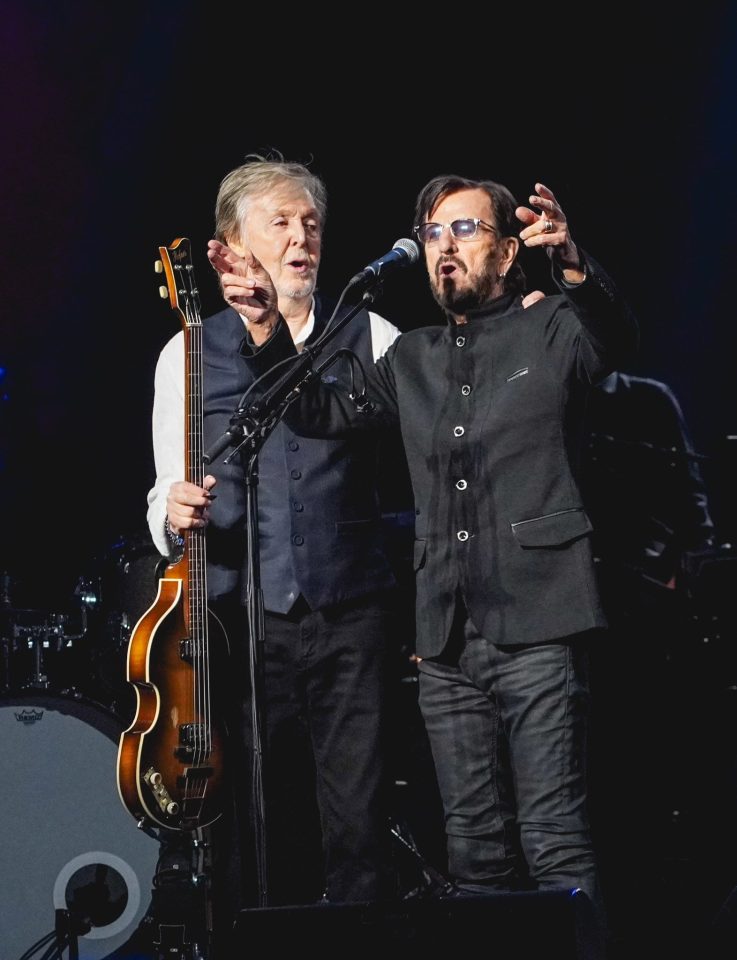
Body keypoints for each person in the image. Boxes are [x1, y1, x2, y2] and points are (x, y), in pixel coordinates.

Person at [220, 173, 639, 952]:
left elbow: (614, 339)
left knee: (552, 839)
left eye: (466, 230)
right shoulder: (408, 358)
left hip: (540, 621)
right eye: (435, 233)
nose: (445, 247)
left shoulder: (552, 329)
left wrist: (575, 264)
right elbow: (316, 411)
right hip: (445, 638)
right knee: (473, 850)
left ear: (509, 250)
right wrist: (267, 328)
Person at [146, 152, 412, 928]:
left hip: (350, 609)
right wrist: (175, 510)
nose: (302, 237)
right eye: (280, 222)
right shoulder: (188, 352)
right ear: (231, 246)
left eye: (311, 223)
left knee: (356, 816)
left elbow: (412, 467)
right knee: (257, 817)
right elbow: (165, 488)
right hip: (242, 622)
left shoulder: (371, 332)